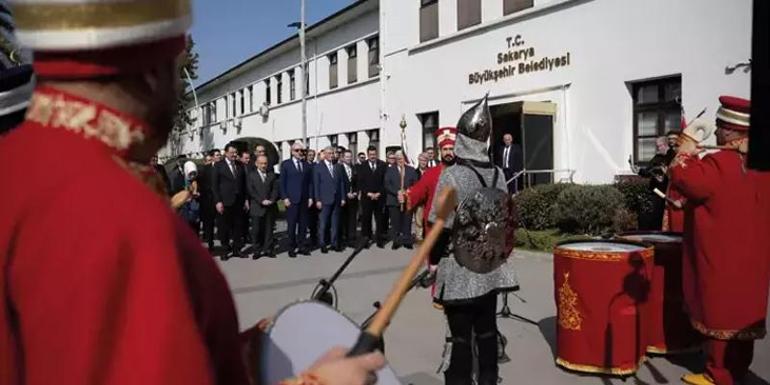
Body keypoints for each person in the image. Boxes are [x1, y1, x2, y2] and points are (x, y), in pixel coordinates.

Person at [0, 1, 384, 384]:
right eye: (180, 71)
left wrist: (253, 351)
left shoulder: (21, 164)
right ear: (151, 70)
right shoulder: (114, 210)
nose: (181, 88)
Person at [671, 96, 770, 385]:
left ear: (730, 130)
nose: (714, 132)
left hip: (722, 256)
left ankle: (718, 376)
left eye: (718, 126)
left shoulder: (719, 163)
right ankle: (737, 371)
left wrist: (686, 148)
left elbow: (683, 176)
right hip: (754, 258)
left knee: (721, 312)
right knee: (743, 314)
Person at [429, 95, 518, 385]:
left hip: (460, 265)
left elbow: (439, 226)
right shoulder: (497, 173)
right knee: (487, 330)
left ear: (463, 139)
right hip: (489, 265)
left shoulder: (451, 175)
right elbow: (504, 218)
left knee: (460, 337)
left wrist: (432, 262)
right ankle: (489, 379)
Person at [408, 127, 457, 241]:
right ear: (440, 152)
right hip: (434, 226)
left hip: (457, 227)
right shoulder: (431, 173)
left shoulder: (465, 171)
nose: (448, 152)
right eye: (445, 149)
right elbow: (418, 192)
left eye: (451, 149)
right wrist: (407, 196)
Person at [212, 143, 248, 259]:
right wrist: (218, 201)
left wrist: (246, 199)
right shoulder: (218, 166)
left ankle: (237, 249)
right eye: (232, 153)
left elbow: (244, 184)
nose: (234, 155)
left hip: (238, 201)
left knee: (238, 226)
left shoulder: (240, 165)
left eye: (236, 153)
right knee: (224, 227)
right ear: (226, 153)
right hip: (225, 201)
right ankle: (224, 250)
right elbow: (215, 186)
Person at [280, 142, 313, 258]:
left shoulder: (307, 165)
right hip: (291, 200)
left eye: (302, 151)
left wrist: (310, 197)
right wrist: (284, 198)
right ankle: (291, 247)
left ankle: (302, 246)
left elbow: (310, 183)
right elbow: (282, 183)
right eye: (297, 150)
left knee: (303, 225)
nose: (300, 153)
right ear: (292, 151)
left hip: (304, 199)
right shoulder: (286, 165)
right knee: (292, 225)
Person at [314, 147, 346, 253]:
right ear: (325, 154)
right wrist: (317, 199)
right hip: (324, 199)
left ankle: (334, 243)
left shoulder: (338, 167)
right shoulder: (318, 167)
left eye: (333, 153)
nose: (332, 155)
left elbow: (341, 183)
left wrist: (342, 197)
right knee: (323, 223)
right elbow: (316, 185)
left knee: (335, 223)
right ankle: (322, 243)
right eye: (329, 153)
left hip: (336, 199)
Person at [384, 151, 419, 250]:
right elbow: (387, 184)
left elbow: (415, 184)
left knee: (407, 222)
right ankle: (396, 241)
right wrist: (397, 192)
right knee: (395, 222)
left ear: (405, 159)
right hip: (394, 200)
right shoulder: (390, 170)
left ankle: (407, 241)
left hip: (408, 200)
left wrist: (407, 191)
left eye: (401, 158)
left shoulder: (411, 170)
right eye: (398, 158)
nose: (400, 160)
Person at [247, 155, 278, 259]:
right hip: (257, 207)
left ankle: (268, 249)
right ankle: (256, 250)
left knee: (269, 230)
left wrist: (272, 200)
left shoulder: (271, 175)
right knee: (256, 230)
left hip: (269, 206)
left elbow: (275, 189)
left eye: (265, 163)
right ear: (256, 164)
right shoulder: (251, 175)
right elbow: (251, 191)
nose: (264, 165)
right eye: (261, 163)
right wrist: (261, 201)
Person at [356, 145, 387, 248]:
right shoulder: (362, 166)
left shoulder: (383, 165)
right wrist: (368, 193)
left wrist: (379, 193)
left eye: (374, 154)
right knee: (366, 219)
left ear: (376, 154)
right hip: (367, 197)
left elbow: (385, 182)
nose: (373, 156)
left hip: (379, 197)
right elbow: (360, 182)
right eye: (370, 155)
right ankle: (366, 240)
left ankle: (379, 241)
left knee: (380, 219)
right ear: (368, 155)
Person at [199, 149, 219, 249]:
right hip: (209, 200)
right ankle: (210, 242)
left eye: (220, 155)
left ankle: (225, 243)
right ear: (212, 157)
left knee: (223, 223)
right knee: (209, 223)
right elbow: (201, 184)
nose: (219, 157)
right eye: (217, 155)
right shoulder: (205, 169)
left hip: (221, 200)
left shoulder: (223, 167)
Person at [340, 149, 359, 248]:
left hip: (353, 198)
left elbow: (357, 182)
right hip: (344, 198)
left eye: (350, 157)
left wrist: (356, 192)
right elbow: (339, 184)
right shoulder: (339, 168)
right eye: (346, 157)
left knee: (352, 219)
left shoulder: (354, 168)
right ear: (343, 158)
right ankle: (344, 238)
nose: (348, 159)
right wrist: (346, 193)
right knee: (344, 219)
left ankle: (351, 238)